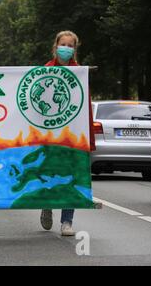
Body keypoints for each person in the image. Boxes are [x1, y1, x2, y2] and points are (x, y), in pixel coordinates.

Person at [40, 30, 95, 236]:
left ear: (74, 49)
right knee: (50, 173)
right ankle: (47, 204)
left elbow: (85, 106)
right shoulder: (45, 69)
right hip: (50, 134)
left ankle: (67, 221)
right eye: (63, 44)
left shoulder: (80, 73)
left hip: (72, 137)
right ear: (55, 47)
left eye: (70, 45)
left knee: (70, 176)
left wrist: (88, 136)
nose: (66, 48)